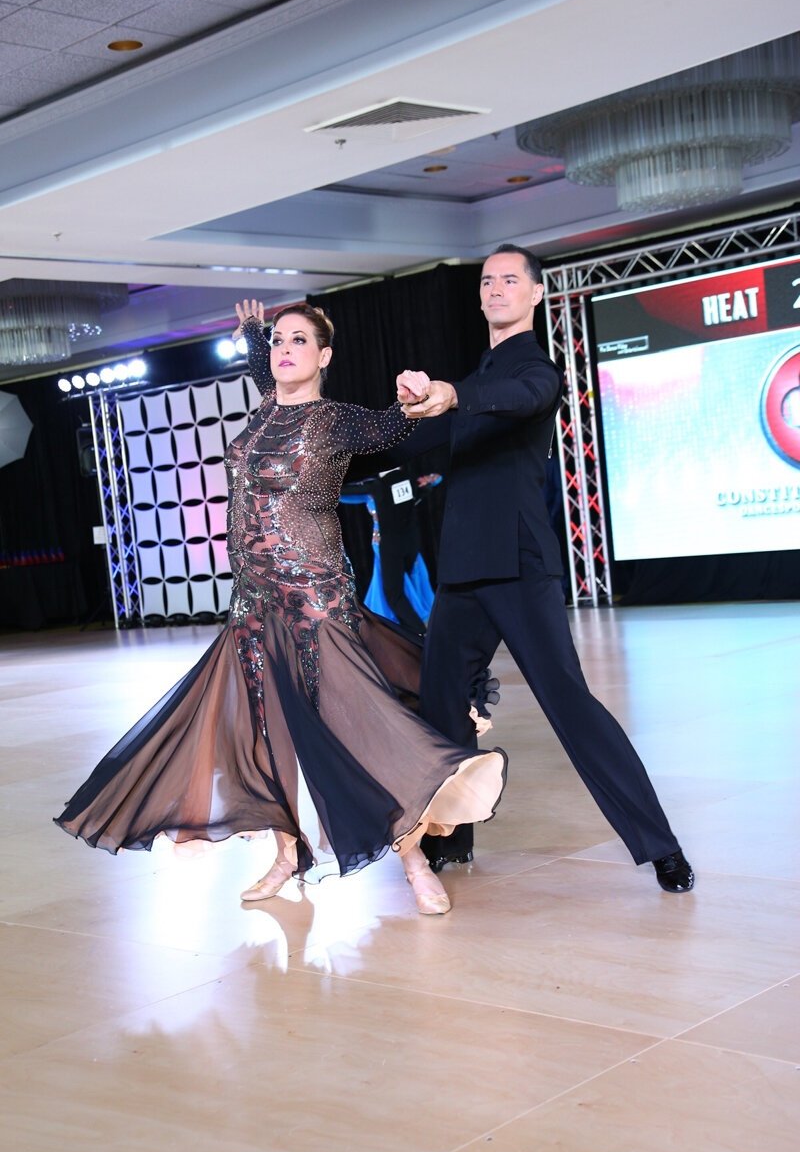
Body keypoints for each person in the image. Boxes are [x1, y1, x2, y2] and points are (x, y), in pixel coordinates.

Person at [55, 300, 507, 915]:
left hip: (316, 600)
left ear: (324, 356)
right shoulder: (267, 403)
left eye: (299, 340)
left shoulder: (337, 420)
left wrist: (413, 396)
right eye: (278, 341)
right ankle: (287, 855)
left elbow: (395, 425)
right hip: (253, 603)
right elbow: (264, 369)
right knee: (270, 734)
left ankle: (412, 859)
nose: (284, 348)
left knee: (356, 726)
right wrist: (251, 332)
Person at [394, 245, 694, 894]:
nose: (496, 288)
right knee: (442, 704)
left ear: (534, 294)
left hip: (519, 566)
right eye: (487, 280)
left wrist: (447, 394)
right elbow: (420, 443)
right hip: (463, 570)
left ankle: (661, 845)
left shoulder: (532, 372)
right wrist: (393, 420)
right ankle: (453, 840)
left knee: (569, 704)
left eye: (510, 279)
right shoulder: (477, 379)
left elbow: (520, 396)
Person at [340, 465, 440, 634]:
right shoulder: (408, 480)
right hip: (408, 543)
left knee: (394, 592)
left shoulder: (376, 486)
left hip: (389, 544)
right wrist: (429, 483)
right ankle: (410, 629)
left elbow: (343, 493)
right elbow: (432, 483)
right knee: (400, 586)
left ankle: (419, 632)